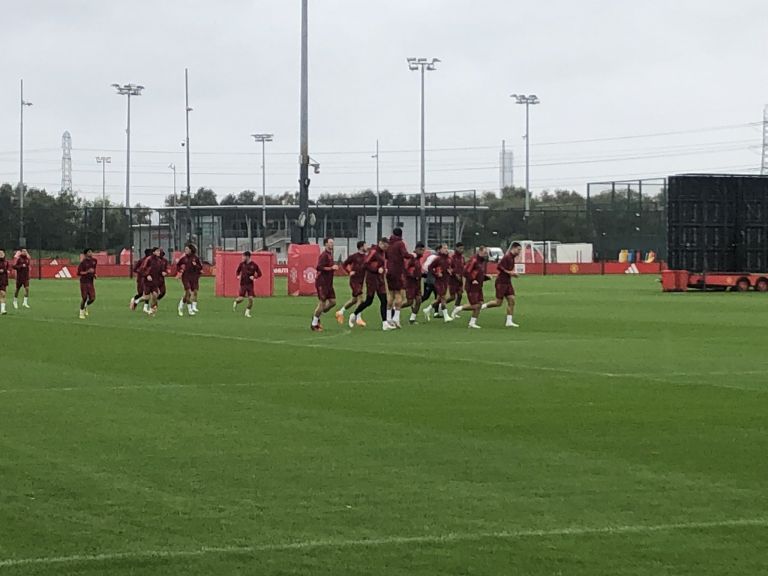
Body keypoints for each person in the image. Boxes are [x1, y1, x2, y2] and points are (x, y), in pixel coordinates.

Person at [351, 237, 393, 331]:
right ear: (380, 243)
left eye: (387, 247)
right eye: (385, 246)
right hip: (372, 279)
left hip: (380, 279)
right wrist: (376, 270)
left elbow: (381, 263)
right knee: (369, 301)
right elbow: (365, 264)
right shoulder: (373, 251)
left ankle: (384, 323)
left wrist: (383, 269)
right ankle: (354, 314)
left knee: (384, 300)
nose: (386, 248)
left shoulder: (383, 252)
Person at [483, 242, 522, 327]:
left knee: (512, 300)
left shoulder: (512, 257)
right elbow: (499, 267)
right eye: (518, 250)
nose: (519, 252)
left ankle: (509, 321)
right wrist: (510, 273)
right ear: (513, 248)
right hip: (501, 282)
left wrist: (512, 273)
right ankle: (482, 307)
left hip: (507, 282)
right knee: (498, 303)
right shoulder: (507, 257)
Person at [452, 246, 489, 328]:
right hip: (472, 286)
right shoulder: (474, 260)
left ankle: (472, 323)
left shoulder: (482, 261)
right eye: (485, 252)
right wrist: (472, 280)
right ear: (480, 251)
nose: (486, 254)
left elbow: (478, 273)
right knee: (475, 305)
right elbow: (466, 272)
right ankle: (458, 308)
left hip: (479, 286)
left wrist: (486, 277)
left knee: (480, 304)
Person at [336, 240, 368, 327]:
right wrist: (349, 271)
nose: (366, 247)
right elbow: (344, 264)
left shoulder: (366, 257)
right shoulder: (354, 256)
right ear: (361, 247)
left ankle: (340, 311)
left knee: (354, 300)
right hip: (354, 280)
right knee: (361, 298)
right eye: (365, 246)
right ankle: (358, 318)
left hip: (362, 280)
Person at [385, 227, 411, 328]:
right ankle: (396, 318)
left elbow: (386, 256)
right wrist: (412, 256)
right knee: (399, 294)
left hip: (389, 271)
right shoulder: (400, 243)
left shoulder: (389, 243)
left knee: (391, 295)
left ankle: (388, 318)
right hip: (398, 271)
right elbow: (405, 254)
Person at [311, 237, 338, 332]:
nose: (332, 244)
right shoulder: (324, 255)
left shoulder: (330, 255)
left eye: (333, 243)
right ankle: (314, 324)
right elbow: (319, 267)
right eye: (330, 243)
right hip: (322, 282)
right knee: (322, 303)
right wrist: (331, 268)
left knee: (333, 302)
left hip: (329, 283)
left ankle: (317, 314)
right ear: (326, 244)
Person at [423, 243, 454, 323]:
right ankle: (446, 316)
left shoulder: (449, 259)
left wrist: (450, 271)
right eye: (444, 248)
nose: (446, 249)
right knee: (443, 297)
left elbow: (450, 267)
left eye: (447, 248)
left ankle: (427, 309)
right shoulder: (438, 259)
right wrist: (436, 273)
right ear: (440, 249)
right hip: (439, 281)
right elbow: (430, 267)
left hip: (446, 280)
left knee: (439, 298)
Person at [233, 251, 262, 318]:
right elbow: (237, 271)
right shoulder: (242, 264)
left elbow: (260, 274)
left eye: (243, 256)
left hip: (250, 285)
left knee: (251, 299)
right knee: (241, 299)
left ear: (248, 257)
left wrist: (254, 277)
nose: (242, 258)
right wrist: (238, 276)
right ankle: (235, 302)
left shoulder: (254, 265)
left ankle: (247, 312)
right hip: (243, 284)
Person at [176, 244, 203, 316]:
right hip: (185, 277)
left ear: (191, 250)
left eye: (187, 249)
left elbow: (200, 268)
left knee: (192, 292)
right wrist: (180, 270)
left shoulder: (196, 258)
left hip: (194, 277)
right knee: (188, 292)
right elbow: (178, 265)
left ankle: (180, 305)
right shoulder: (184, 258)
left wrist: (195, 265)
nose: (186, 250)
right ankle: (190, 309)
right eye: (185, 249)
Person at [138, 247, 165, 315]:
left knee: (155, 295)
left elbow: (161, 270)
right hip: (147, 281)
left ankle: (151, 309)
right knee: (146, 297)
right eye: (157, 251)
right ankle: (136, 301)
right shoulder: (148, 259)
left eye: (159, 251)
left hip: (155, 281)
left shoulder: (159, 261)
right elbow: (142, 269)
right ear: (153, 252)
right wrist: (147, 275)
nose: (159, 252)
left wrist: (163, 272)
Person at [404, 242, 426, 324]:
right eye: (420, 250)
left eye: (423, 250)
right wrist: (413, 274)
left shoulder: (418, 259)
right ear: (416, 249)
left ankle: (412, 319)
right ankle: (395, 309)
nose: (422, 252)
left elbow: (417, 270)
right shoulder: (411, 257)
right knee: (409, 302)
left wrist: (422, 274)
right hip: (410, 283)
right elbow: (406, 269)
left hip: (417, 283)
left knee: (419, 300)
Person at [130, 248, 153, 313]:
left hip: (147, 280)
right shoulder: (141, 261)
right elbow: (135, 269)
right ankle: (133, 300)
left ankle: (145, 307)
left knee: (147, 293)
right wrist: (141, 272)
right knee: (140, 293)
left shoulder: (151, 261)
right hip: (140, 279)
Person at [77, 248, 97, 319]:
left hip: (90, 282)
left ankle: (86, 305)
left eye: (91, 251)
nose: (91, 253)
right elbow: (79, 273)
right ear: (85, 254)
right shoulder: (83, 263)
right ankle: (81, 312)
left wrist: (94, 274)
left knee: (92, 298)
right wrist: (87, 272)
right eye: (89, 252)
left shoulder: (94, 261)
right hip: (84, 282)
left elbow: (94, 270)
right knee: (84, 297)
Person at [447, 242, 465, 317]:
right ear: (456, 248)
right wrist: (454, 274)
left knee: (460, 295)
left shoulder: (462, 258)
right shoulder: (452, 258)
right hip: (452, 280)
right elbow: (449, 268)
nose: (461, 250)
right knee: (452, 297)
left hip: (460, 279)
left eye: (462, 248)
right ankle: (440, 305)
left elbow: (464, 267)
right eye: (460, 248)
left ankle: (455, 311)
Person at [0, 249, 10, 315]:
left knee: (3, 294)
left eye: (2, 253)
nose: (1, 254)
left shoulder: (6, 262)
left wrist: (6, 271)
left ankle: (3, 310)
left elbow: (8, 270)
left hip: (3, 280)